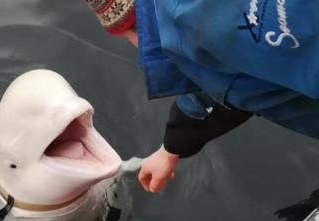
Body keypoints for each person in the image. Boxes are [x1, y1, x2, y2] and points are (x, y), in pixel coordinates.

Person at [84, 0, 319, 193]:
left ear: (131, 26)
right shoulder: (200, 26)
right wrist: (172, 146)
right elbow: (229, 78)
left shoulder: (191, 26)